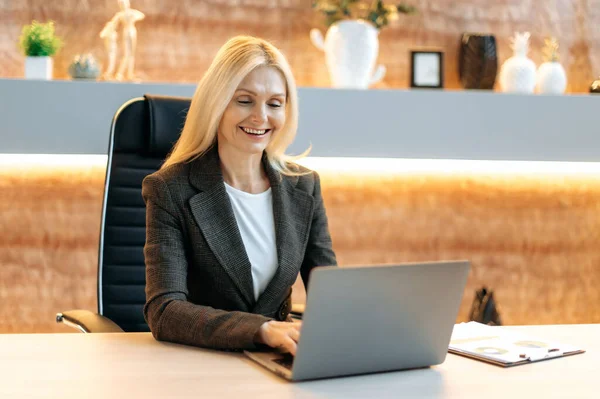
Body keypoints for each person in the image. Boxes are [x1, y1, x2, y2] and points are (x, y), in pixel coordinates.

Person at [142, 36, 337, 356]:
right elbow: (164, 310)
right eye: (245, 100)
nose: (261, 117)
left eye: (275, 103)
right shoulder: (170, 189)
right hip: (201, 364)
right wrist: (260, 330)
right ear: (217, 103)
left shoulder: (304, 185)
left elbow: (330, 294)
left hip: (279, 362)